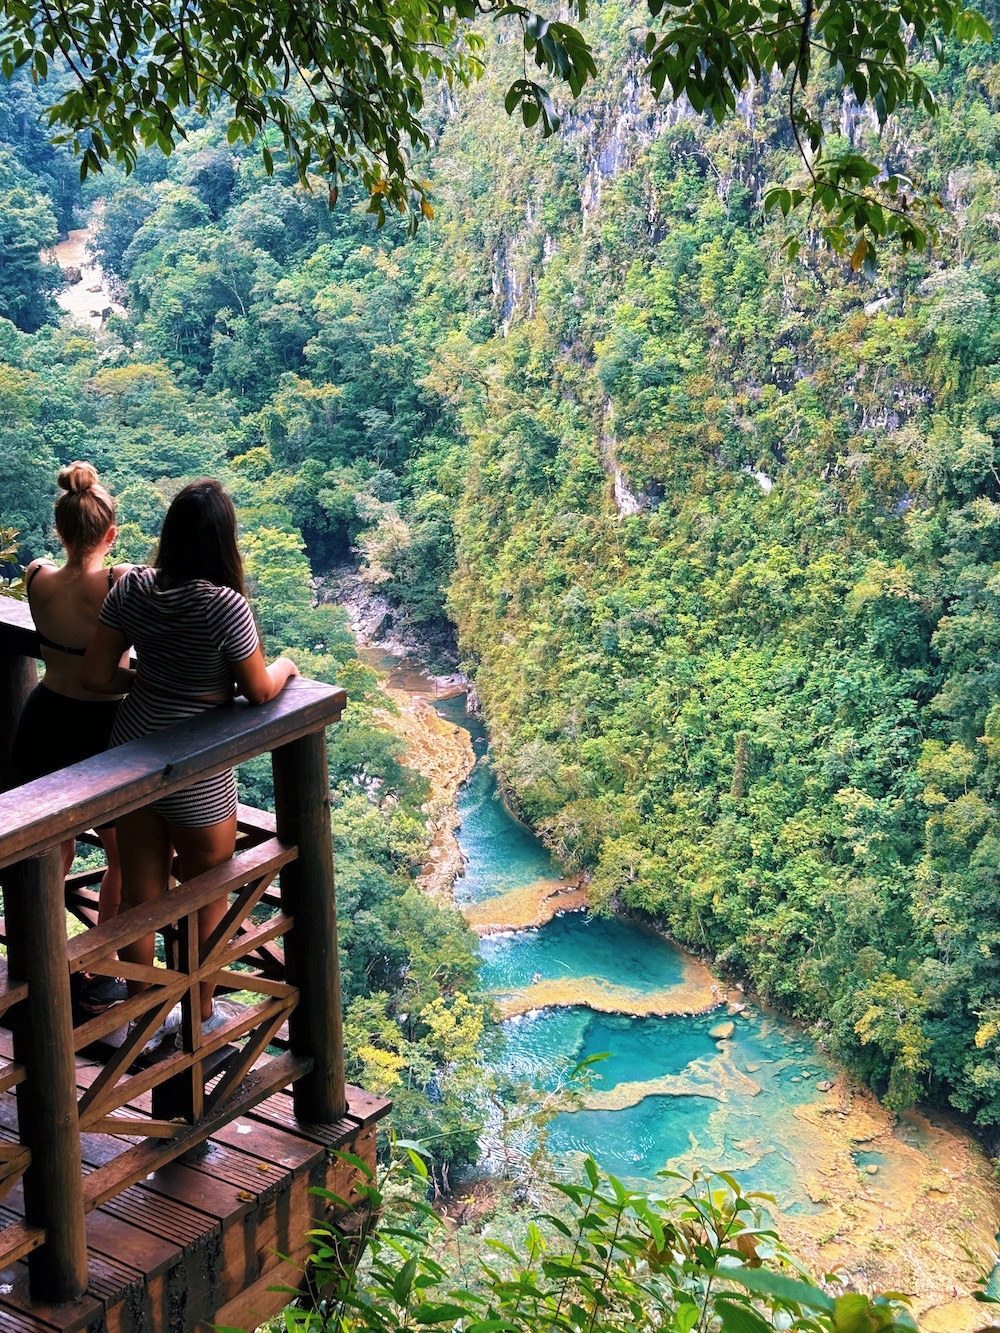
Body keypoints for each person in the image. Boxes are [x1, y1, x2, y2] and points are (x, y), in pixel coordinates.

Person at [82, 478, 299, 1049]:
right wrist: (288, 667)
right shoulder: (225, 604)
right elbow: (257, 690)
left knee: (140, 896)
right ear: (224, 541)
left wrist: (150, 683)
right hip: (198, 766)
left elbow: (96, 675)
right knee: (208, 892)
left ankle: (146, 1017)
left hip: (132, 754)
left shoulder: (132, 588)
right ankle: (200, 1012)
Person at [11, 461, 133, 1014]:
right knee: (121, 852)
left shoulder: (36, 575)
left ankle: (39, 962)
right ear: (110, 534)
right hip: (104, 726)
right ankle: (100, 975)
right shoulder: (117, 582)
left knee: (44, 849)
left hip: (44, 718)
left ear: (59, 531)